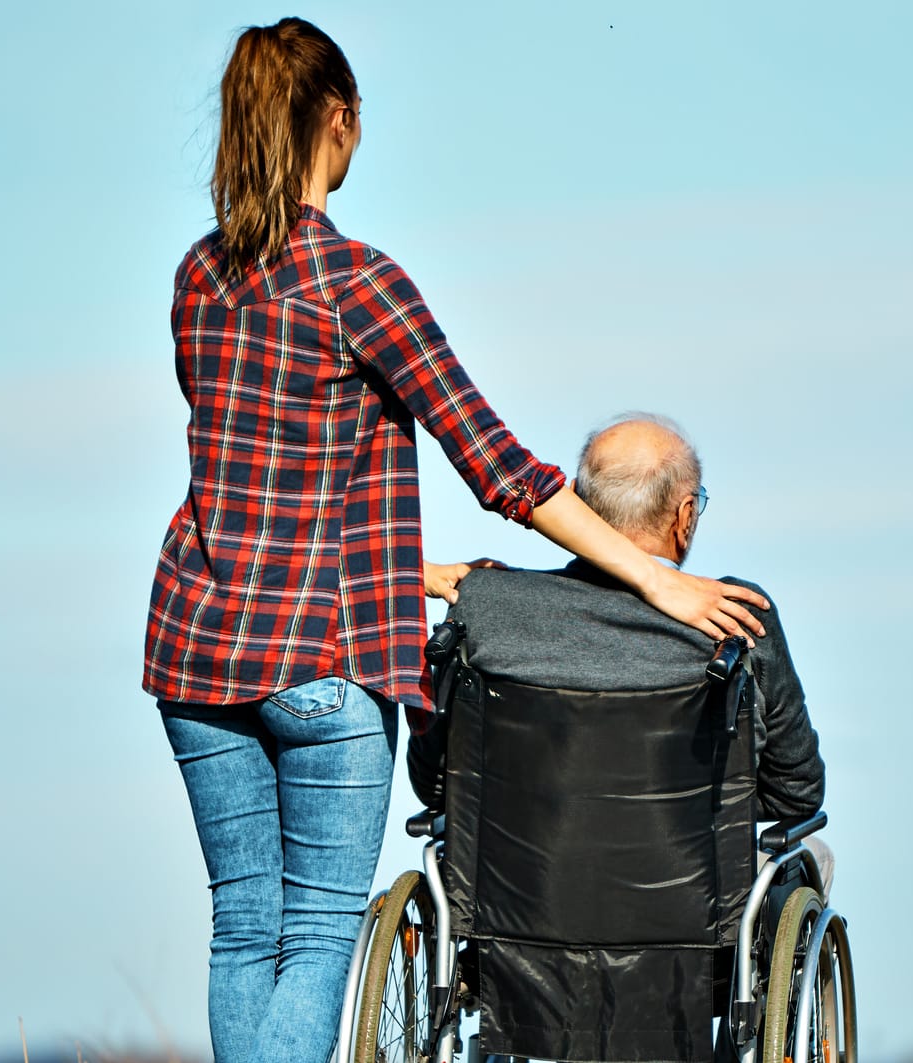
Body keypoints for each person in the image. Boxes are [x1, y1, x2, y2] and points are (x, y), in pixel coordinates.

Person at [143, 20, 767, 1063]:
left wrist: (418, 570)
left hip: (196, 641)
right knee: (315, 932)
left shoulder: (197, 278)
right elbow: (503, 471)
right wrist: (657, 580)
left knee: (243, 925)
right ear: (338, 122)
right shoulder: (359, 283)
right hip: (323, 655)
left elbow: (260, 481)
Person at [409, 412, 830, 890]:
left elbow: (436, 783)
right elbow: (797, 794)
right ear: (685, 516)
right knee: (811, 853)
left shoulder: (485, 603)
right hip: (692, 905)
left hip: (514, 899)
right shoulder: (738, 617)